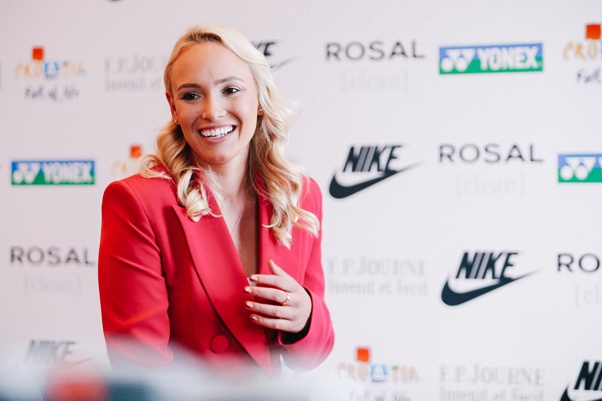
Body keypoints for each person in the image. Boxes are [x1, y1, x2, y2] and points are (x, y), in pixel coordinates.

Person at [98, 23, 334, 378]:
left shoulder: (298, 193)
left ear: (259, 98)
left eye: (230, 90)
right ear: (173, 107)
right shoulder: (138, 202)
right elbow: (139, 366)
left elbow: (314, 354)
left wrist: (305, 317)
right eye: (192, 95)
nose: (212, 111)